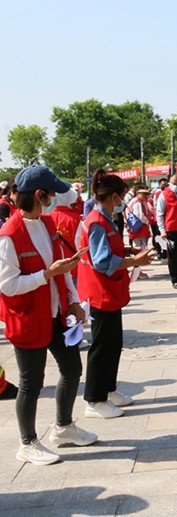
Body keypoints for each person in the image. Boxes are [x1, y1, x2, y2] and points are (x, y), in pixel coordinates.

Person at [0, 164, 96, 465]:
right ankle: (27, 443)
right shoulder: (9, 234)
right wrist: (45, 275)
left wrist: (73, 300)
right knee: (31, 383)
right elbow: (7, 285)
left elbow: (61, 267)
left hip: (56, 314)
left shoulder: (46, 223)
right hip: (27, 317)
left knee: (72, 369)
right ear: (39, 194)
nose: (54, 199)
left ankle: (63, 427)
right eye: (51, 195)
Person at [78, 170, 156, 419]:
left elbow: (106, 249)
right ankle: (94, 399)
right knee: (102, 346)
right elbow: (101, 261)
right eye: (122, 196)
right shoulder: (96, 222)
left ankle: (108, 390)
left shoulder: (104, 219)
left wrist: (127, 250)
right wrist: (135, 261)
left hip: (109, 291)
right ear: (113, 197)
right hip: (100, 292)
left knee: (114, 344)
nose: (123, 201)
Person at [127, 185, 152, 252]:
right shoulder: (137, 202)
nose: (145, 195)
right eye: (143, 193)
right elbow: (139, 216)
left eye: (146, 194)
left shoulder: (135, 201)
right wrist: (147, 222)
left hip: (135, 227)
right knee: (141, 247)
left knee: (139, 246)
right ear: (137, 193)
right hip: (140, 227)